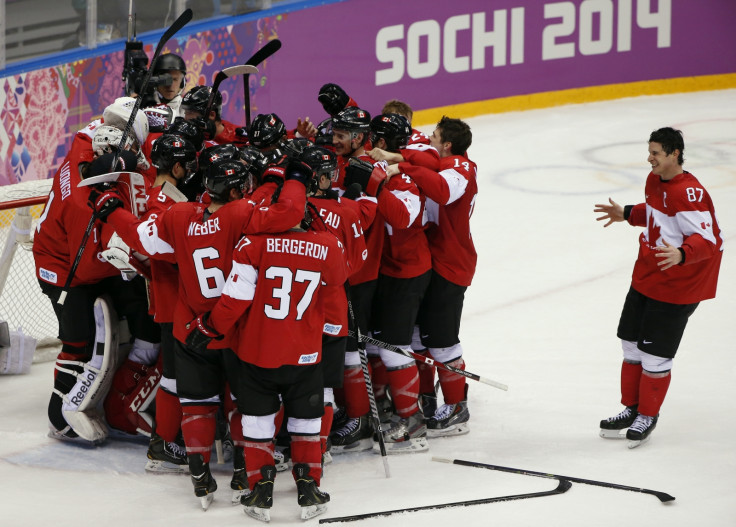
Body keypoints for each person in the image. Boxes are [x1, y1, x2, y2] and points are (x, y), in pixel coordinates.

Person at [96, 155, 310, 509]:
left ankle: (200, 476)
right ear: (240, 189)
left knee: (197, 402)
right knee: (246, 401)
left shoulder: (179, 217)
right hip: (236, 328)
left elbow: (142, 240)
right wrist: (296, 178)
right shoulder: (242, 214)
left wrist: (111, 210)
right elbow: (289, 213)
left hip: (190, 328)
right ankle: (243, 470)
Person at [199, 192, 348, 521]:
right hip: (305, 356)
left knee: (258, 423)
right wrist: (334, 331)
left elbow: (235, 300)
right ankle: (309, 489)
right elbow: (335, 304)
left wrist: (210, 326)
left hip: (257, 353)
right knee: (306, 424)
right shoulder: (328, 245)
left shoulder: (252, 245)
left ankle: (260, 491)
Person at [594, 127, 723, 447]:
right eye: (649, 151)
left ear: (674, 154)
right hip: (647, 276)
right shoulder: (655, 181)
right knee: (630, 343)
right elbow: (657, 214)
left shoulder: (689, 193)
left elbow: (709, 241)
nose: (649, 158)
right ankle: (632, 408)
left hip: (677, 286)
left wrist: (682, 253)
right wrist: (626, 213)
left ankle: (648, 415)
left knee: (654, 356)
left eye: (655, 153)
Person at [389, 116, 477, 437]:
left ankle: (456, 406)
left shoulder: (463, 168)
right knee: (417, 337)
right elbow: (424, 158)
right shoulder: (442, 159)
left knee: (441, 340)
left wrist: (402, 167)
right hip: (432, 262)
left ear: (448, 144)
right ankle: (427, 400)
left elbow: (440, 190)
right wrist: (397, 157)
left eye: (435, 135)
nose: (429, 138)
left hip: (452, 265)